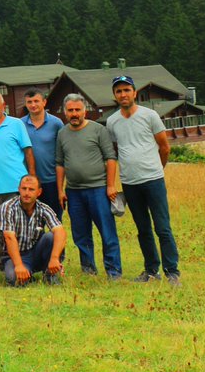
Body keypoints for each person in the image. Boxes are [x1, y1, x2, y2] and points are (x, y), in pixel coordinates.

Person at [106, 75, 180, 285]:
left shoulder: (150, 116)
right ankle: (151, 270)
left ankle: (172, 272)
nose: (123, 94)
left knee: (162, 227)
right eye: (119, 91)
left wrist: (157, 168)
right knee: (143, 229)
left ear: (135, 93)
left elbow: (164, 147)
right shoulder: (112, 121)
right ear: (115, 95)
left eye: (127, 90)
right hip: (130, 183)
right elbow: (115, 151)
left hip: (153, 180)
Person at [55, 94, 122, 279]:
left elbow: (110, 158)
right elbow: (59, 163)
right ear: (65, 112)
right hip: (74, 192)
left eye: (78, 110)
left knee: (107, 232)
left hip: (98, 189)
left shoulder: (98, 130)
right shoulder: (62, 133)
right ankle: (88, 269)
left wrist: (110, 186)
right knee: (81, 234)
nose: (74, 114)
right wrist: (60, 190)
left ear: (84, 111)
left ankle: (113, 271)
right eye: (70, 110)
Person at [0, 91, 35, 261]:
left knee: (18, 224)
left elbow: (28, 151)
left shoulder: (16, 124)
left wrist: (32, 178)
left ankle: (22, 258)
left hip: (16, 184)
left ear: (3, 106)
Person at [0, 175, 66, 286]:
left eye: (31, 189)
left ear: (39, 192)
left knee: (51, 237)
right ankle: (27, 275)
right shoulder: (7, 207)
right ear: (19, 189)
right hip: (15, 255)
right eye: (24, 189)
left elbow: (60, 231)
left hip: (36, 251)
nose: (27, 193)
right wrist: (19, 265)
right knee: (13, 279)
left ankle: (50, 274)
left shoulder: (44, 208)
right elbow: (9, 237)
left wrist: (54, 258)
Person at [23, 88, 65, 217]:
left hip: (51, 180)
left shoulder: (56, 124)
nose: (33, 105)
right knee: (33, 222)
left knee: (55, 219)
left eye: (36, 101)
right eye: (29, 102)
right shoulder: (19, 124)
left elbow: (62, 152)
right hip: (29, 182)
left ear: (44, 102)